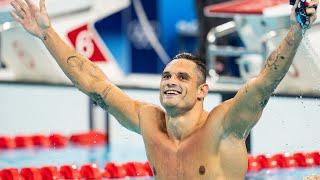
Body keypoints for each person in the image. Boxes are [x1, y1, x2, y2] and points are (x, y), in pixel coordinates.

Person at [10, 0, 318, 179]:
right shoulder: (149, 123)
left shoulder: (224, 125)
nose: (171, 81)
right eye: (167, 76)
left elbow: (265, 82)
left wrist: (297, 27)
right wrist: (46, 34)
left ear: (202, 91)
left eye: (183, 78)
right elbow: (94, 83)